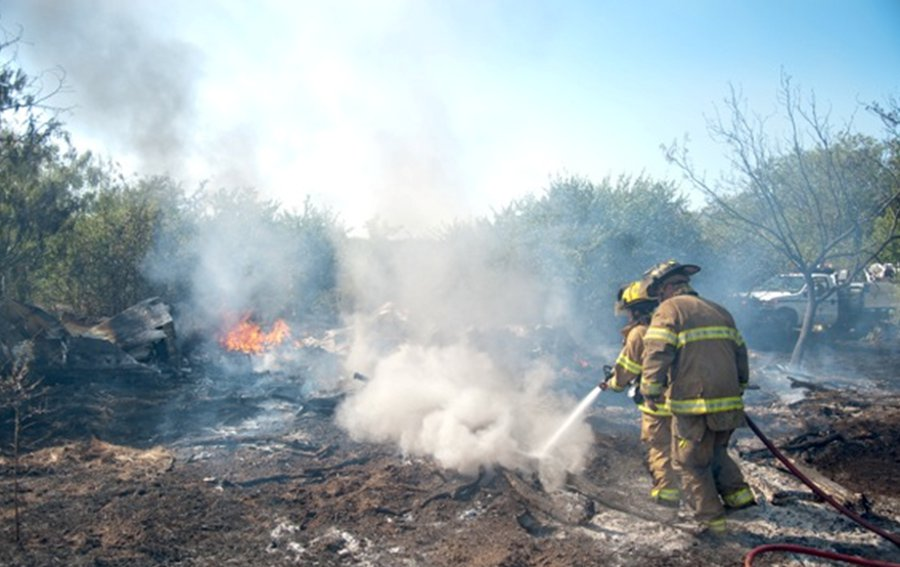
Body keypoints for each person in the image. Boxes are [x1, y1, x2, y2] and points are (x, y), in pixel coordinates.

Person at [639, 260, 755, 535]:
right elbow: (740, 352)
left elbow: (657, 351)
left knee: (690, 463)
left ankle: (711, 523)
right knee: (716, 453)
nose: (658, 299)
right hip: (728, 403)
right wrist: (739, 386)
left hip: (694, 405)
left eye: (658, 293)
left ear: (667, 288)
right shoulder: (719, 310)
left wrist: (650, 390)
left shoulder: (669, 309)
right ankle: (740, 500)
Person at [601, 280, 681, 508]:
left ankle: (667, 496)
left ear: (636, 309)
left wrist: (613, 384)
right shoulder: (673, 324)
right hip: (688, 399)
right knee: (690, 448)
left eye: (628, 311)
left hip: (659, 403)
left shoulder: (639, 332)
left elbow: (627, 369)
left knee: (661, 447)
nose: (627, 316)